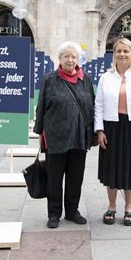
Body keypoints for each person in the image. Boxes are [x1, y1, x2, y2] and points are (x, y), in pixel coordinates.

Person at [33, 41, 95, 229]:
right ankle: (54, 213)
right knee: (54, 178)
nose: (70, 60)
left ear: (78, 59)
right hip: (56, 136)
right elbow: (41, 107)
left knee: (76, 177)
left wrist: (93, 133)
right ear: (59, 58)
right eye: (66, 56)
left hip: (79, 137)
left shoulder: (86, 79)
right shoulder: (49, 79)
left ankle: (72, 211)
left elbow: (92, 106)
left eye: (73, 56)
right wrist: (39, 133)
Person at [94, 38, 131, 226]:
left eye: (126, 51)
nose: (122, 54)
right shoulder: (105, 77)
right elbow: (98, 105)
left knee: (130, 168)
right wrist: (99, 130)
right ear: (113, 53)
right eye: (119, 50)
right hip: (111, 126)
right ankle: (111, 207)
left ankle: (129, 208)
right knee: (112, 168)